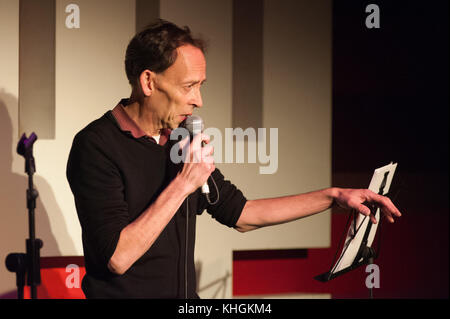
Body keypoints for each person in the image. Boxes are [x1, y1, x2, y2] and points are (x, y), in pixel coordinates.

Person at [66, 19, 401, 299]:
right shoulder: (96, 146)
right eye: (188, 86)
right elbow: (118, 257)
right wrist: (184, 183)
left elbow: (241, 213)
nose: (198, 99)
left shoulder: (180, 137)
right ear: (148, 81)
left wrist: (334, 197)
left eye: (201, 85)